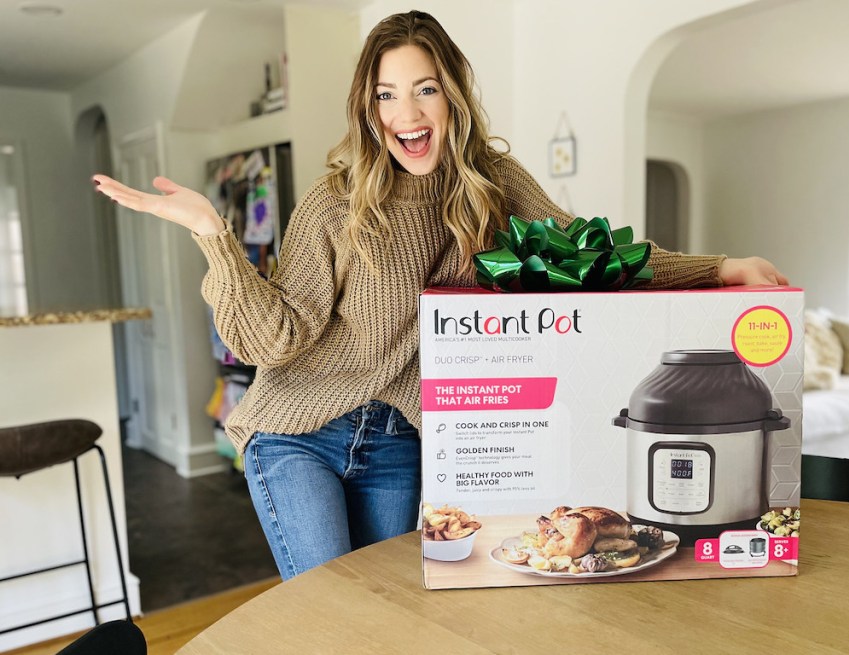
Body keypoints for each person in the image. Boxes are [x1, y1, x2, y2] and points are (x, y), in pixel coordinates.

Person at [92, 10, 788, 580]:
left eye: (424, 88)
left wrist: (721, 267)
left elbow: (590, 258)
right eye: (386, 94)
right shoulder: (336, 202)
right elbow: (275, 338)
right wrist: (213, 234)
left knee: (391, 611)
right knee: (338, 610)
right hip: (300, 433)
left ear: (452, 93)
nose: (406, 112)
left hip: (402, 441)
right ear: (369, 108)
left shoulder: (495, 184)